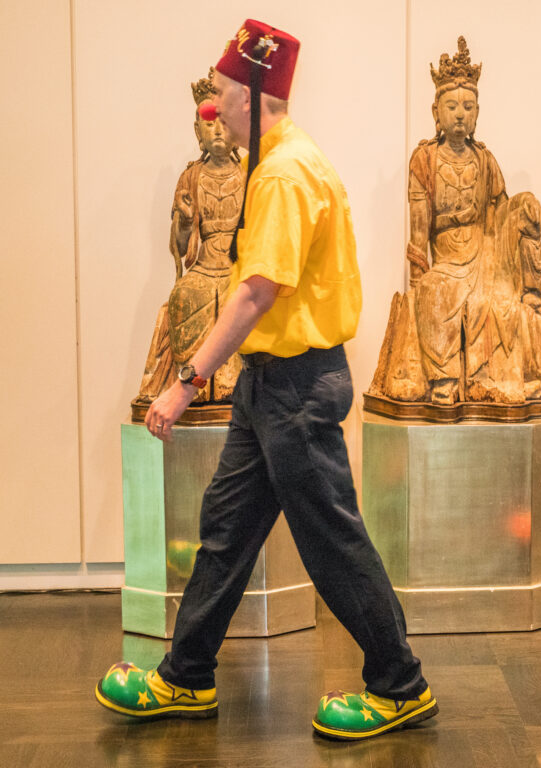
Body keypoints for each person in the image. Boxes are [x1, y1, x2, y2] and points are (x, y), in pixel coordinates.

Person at [96, 19, 437, 741]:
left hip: (297, 388)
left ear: (254, 94)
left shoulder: (283, 173)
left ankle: (401, 685)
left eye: (221, 92)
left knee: (332, 545)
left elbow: (256, 292)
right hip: (270, 385)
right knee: (225, 532)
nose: (212, 107)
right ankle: (185, 677)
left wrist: (185, 380)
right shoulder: (277, 160)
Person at [368, 36, 541, 408]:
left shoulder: (485, 160)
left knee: (501, 301)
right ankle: (444, 378)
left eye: (468, 106)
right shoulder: (424, 160)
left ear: (478, 113)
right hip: (447, 263)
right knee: (435, 294)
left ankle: (502, 378)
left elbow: (501, 214)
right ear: (436, 111)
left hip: (485, 256)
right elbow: (419, 233)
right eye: (452, 106)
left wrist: (524, 207)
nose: (460, 114)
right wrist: (419, 280)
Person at [136, 68, 244, 406]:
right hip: (203, 268)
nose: (216, 130)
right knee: (184, 295)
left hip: (236, 267)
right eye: (207, 123)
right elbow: (180, 250)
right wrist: (183, 221)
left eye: (222, 122)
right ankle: (193, 384)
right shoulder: (191, 176)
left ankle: (230, 384)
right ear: (197, 131)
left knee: (239, 299)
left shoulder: (250, 175)